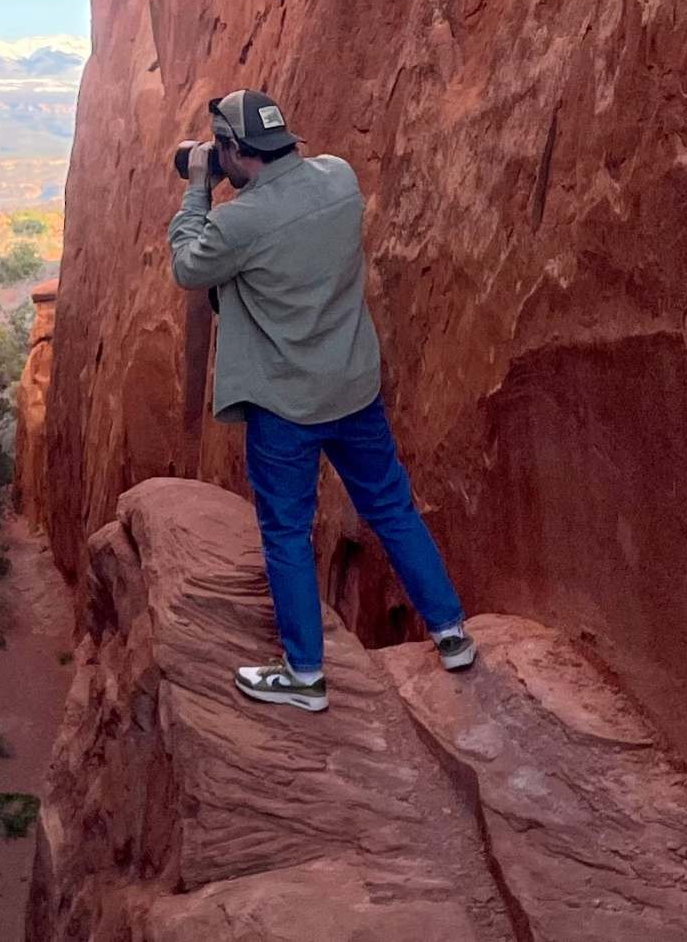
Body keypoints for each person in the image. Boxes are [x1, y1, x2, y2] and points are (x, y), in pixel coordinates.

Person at [169, 89, 472, 713]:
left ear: (233, 151)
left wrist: (198, 185)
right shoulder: (339, 178)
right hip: (352, 386)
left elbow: (188, 267)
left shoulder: (237, 222)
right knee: (391, 507)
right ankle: (451, 633)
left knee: (285, 533)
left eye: (221, 151)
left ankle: (305, 674)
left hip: (285, 405)